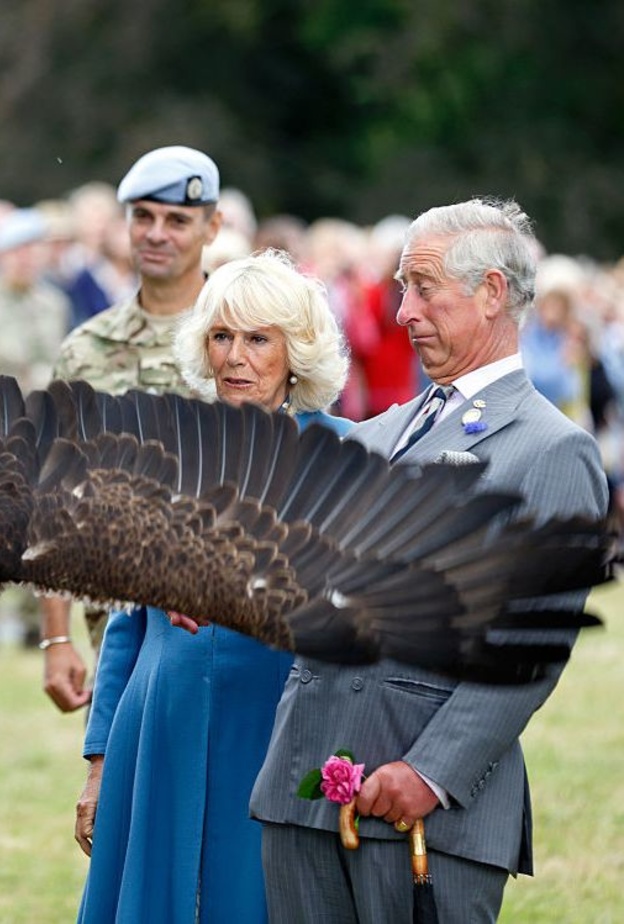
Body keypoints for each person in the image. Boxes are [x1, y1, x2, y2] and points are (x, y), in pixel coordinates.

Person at [249, 198, 609, 923]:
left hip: (425, 820)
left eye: (423, 286)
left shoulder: (551, 451)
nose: (403, 310)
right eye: (400, 287)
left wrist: (430, 773)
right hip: (305, 792)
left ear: (491, 293)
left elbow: (527, 649)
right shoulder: (378, 433)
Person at [74, 249, 352, 924]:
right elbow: (124, 628)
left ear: (297, 352)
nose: (236, 357)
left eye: (258, 339)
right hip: (158, 728)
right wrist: (99, 761)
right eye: (222, 336)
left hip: (271, 731)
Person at [39, 145, 223, 712]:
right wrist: (56, 636)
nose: (156, 233)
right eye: (143, 216)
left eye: (177, 220)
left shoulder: (243, 334)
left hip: (225, 625)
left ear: (212, 226)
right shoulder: (87, 349)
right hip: (118, 630)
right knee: (117, 791)